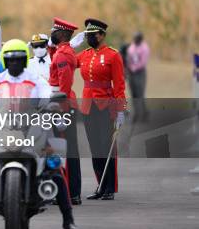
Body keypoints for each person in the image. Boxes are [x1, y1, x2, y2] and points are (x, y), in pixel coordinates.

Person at [0, 39, 78, 229]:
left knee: (54, 165)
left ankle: (68, 218)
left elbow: (46, 94)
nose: (15, 63)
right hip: (2, 126)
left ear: (24, 60)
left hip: (32, 126)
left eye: (19, 59)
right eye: (10, 60)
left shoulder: (36, 79)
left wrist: (50, 103)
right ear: (5, 61)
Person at [76, 19, 126, 201]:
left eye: (93, 35)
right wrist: (65, 45)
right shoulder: (84, 54)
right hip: (89, 107)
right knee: (95, 147)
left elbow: (120, 85)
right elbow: (62, 62)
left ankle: (110, 188)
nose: (90, 37)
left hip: (106, 106)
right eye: (88, 35)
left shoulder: (113, 55)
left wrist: (121, 110)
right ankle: (100, 185)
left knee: (107, 147)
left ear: (102, 35)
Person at [48, 18, 82, 205]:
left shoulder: (63, 55)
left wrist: (58, 110)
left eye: (54, 31)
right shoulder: (64, 52)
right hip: (63, 106)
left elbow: (64, 87)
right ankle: (71, 192)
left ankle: (69, 192)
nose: (51, 33)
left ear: (61, 34)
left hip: (62, 107)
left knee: (65, 151)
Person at [126, 32, 150, 122]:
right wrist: (128, 67)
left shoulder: (145, 48)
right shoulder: (132, 46)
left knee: (140, 94)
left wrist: (133, 68)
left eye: (136, 39)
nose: (135, 40)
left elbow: (143, 62)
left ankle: (144, 114)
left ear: (140, 39)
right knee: (133, 94)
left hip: (140, 73)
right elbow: (129, 57)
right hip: (131, 73)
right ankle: (136, 114)